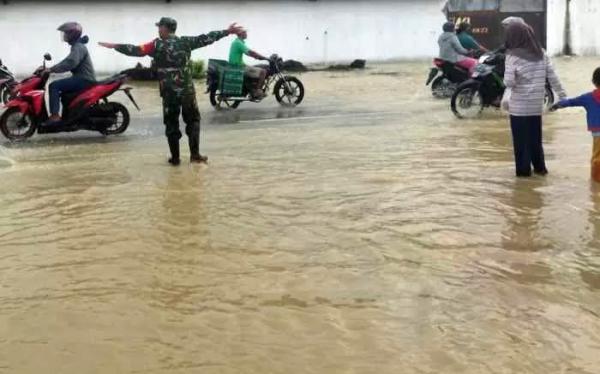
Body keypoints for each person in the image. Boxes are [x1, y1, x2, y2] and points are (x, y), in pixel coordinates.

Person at [99, 18, 243, 165]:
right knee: (193, 121)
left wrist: (115, 46)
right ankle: (195, 155)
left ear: (165, 28)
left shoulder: (156, 45)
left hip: (169, 92)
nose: (158, 30)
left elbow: (136, 50)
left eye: (159, 27)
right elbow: (207, 38)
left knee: (171, 123)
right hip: (187, 91)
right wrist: (227, 32)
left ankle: (175, 159)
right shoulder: (185, 42)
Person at [502, 22, 567, 177]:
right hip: (536, 106)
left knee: (521, 142)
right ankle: (540, 169)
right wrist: (563, 95)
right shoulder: (541, 54)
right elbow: (553, 77)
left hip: (518, 107)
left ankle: (524, 174)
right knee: (535, 139)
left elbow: (509, 82)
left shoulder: (512, 56)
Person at [552, 68, 600, 182]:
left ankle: (595, 182)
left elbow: (570, 102)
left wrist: (556, 105)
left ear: (593, 81)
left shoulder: (588, 97)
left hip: (598, 133)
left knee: (597, 158)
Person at [45, 22, 96, 125]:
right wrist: (50, 68)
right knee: (62, 91)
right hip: (83, 79)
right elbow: (67, 61)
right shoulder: (77, 46)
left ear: (72, 34)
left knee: (54, 86)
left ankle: (55, 116)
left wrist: (51, 69)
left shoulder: (78, 47)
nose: (64, 36)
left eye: (66, 33)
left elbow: (70, 63)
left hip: (84, 80)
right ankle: (67, 116)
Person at [228, 29, 269, 98]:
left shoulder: (236, 42)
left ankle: (252, 89)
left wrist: (259, 57)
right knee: (263, 71)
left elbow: (250, 53)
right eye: (245, 32)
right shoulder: (238, 43)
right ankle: (257, 92)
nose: (246, 34)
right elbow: (250, 53)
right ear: (241, 34)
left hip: (237, 65)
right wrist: (264, 58)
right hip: (238, 67)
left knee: (253, 68)